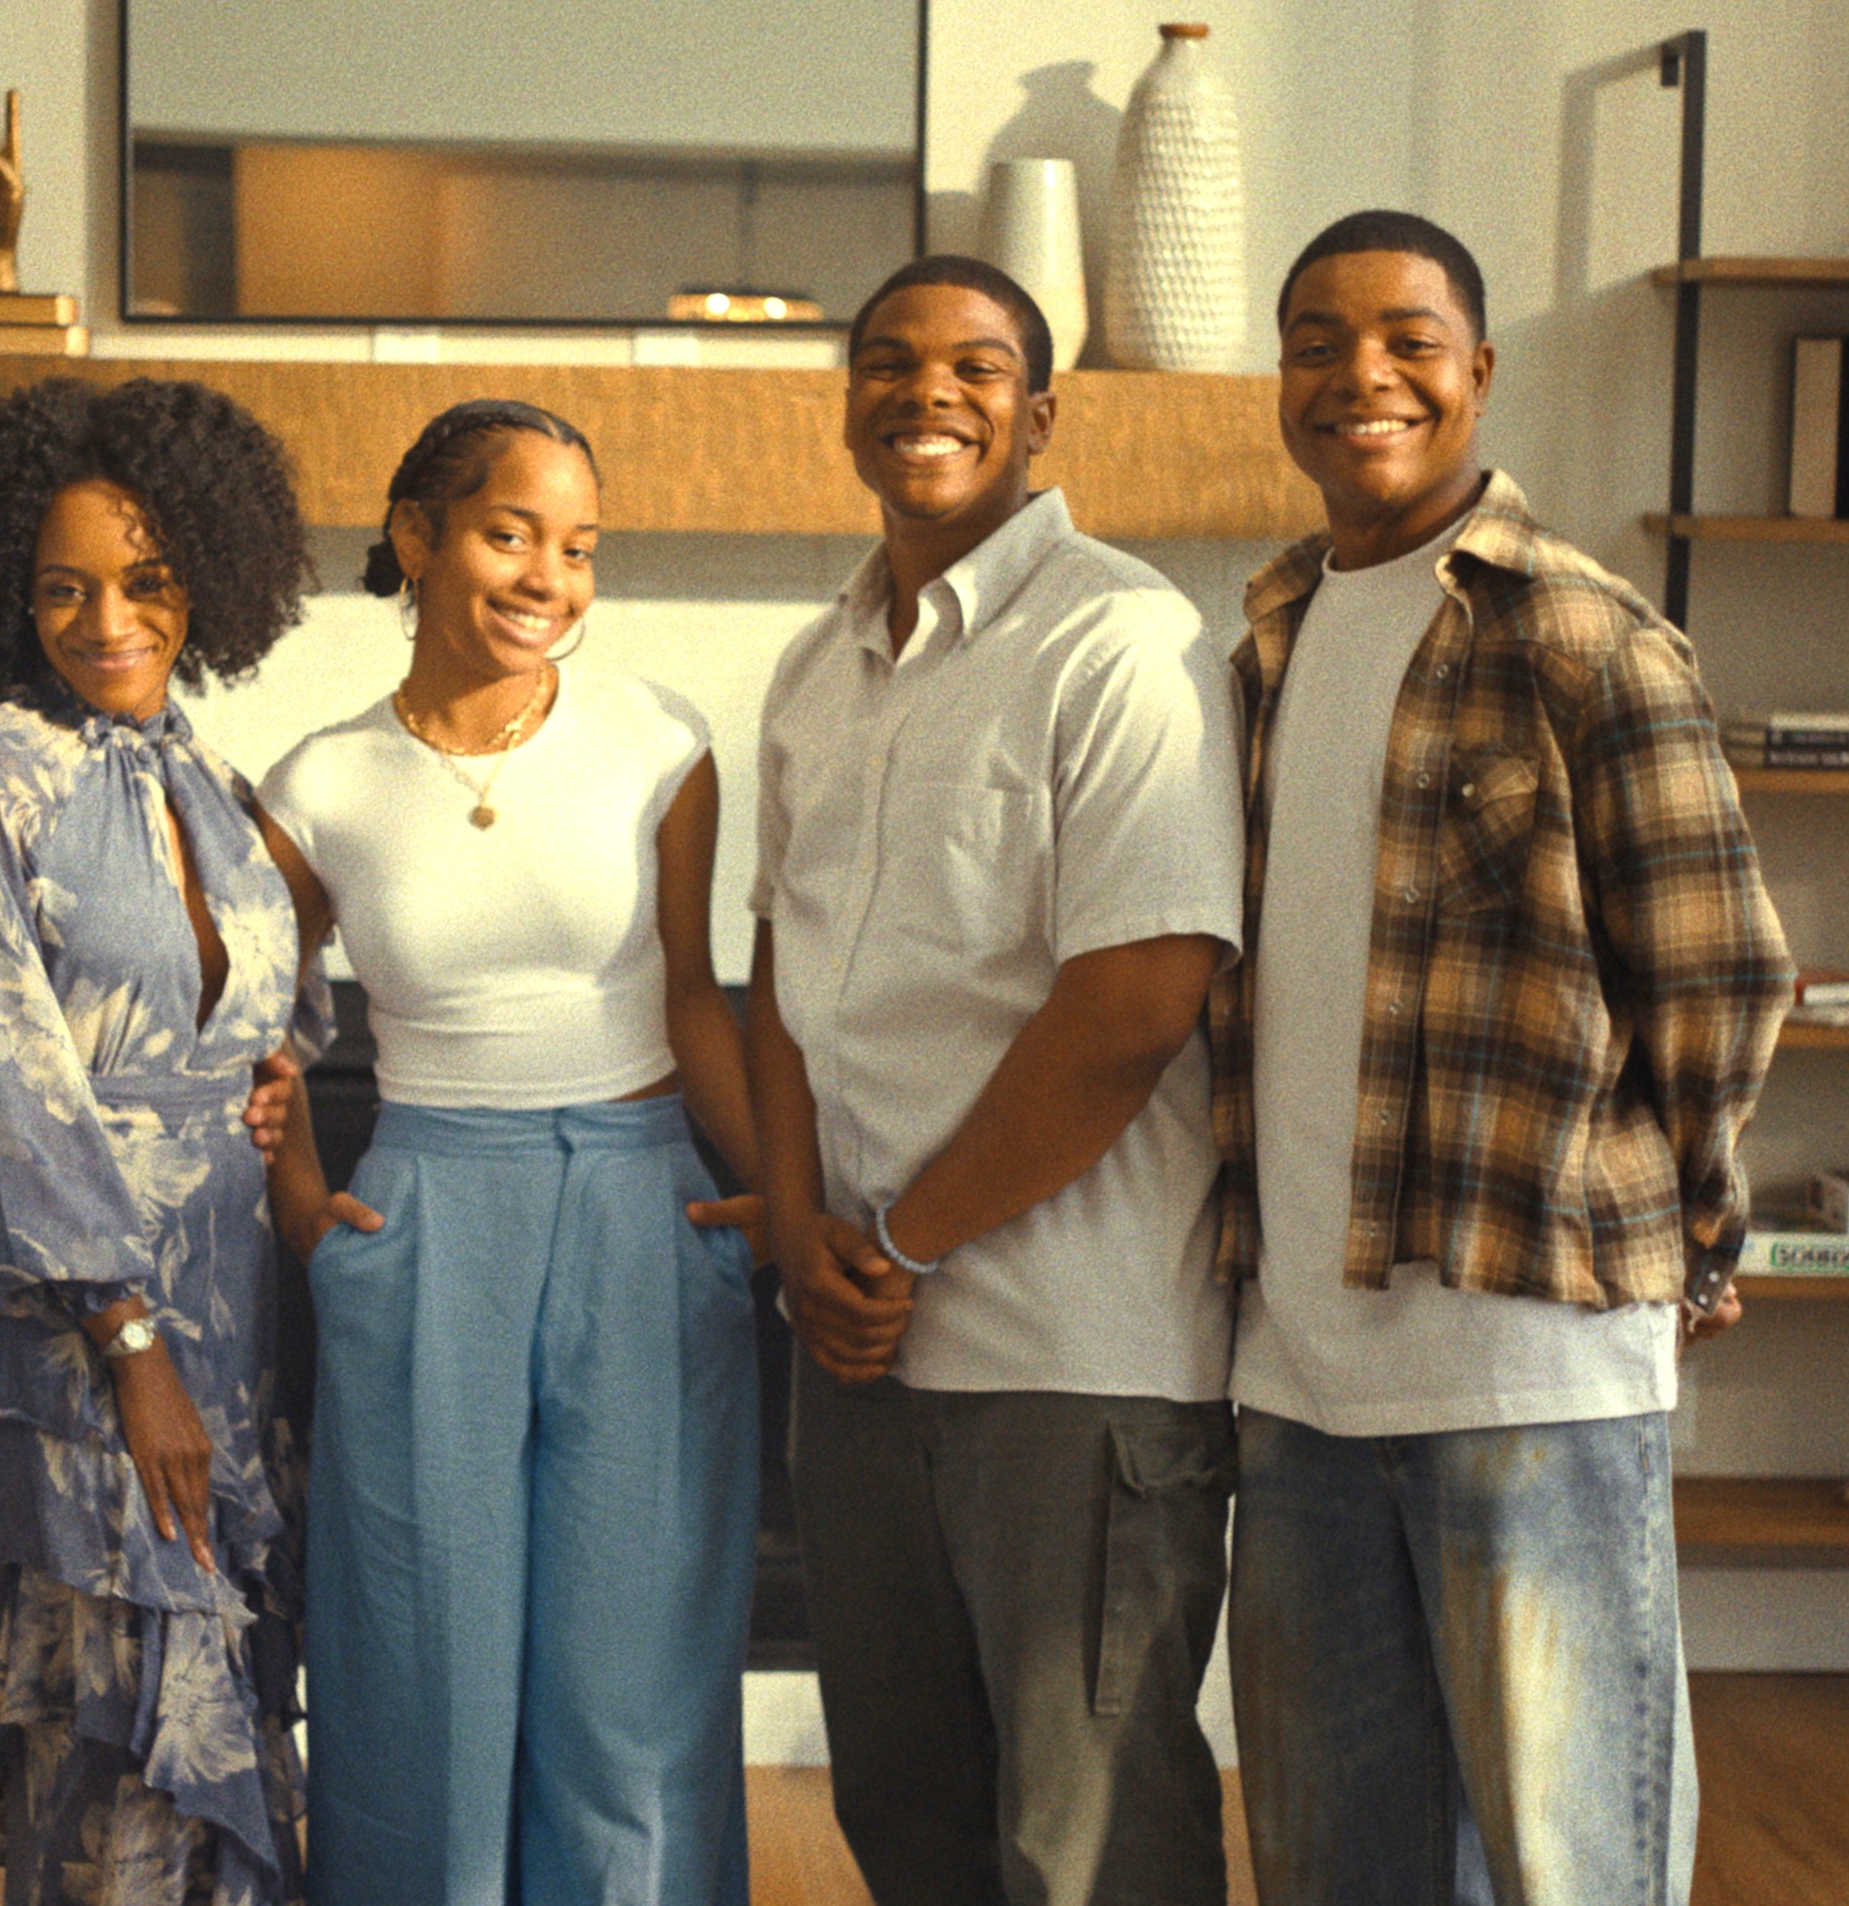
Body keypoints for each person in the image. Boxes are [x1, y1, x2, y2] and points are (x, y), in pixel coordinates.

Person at [1210, 210, 1792, 1905]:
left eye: (1403, 335)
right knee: (1337, 1867)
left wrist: (1689, 1220)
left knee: (1570, 1865)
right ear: (1280, 378)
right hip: (1298, 1371)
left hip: (1529, 1360)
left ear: (1477, 368)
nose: (1357, 373)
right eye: (1314, 338)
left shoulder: (1580, 635)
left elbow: (1716, 971)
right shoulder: (1266, 634)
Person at [745, 255, 1245, 1903]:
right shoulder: (817, 671)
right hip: (860, 1357)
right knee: (906, 1814)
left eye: (973, 365)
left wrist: (900, 1246)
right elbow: (785, 981)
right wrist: (803, 1230)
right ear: (845, 405)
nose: (925, 391)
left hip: (1066, 1353)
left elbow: (1133, 1000)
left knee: (1087, 1838)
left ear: (1039, 412)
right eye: (886, 359)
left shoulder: (1118, 634)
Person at [257, 399, 767, 1906]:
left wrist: (774, 1215)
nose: (549, 573)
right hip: (423, 1210)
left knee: (636, 1671)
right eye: (508, 532)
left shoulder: (658, 740)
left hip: (642, 1199)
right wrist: (304, 1217)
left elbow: (691, 993)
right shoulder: (317, 785)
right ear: (415, 539)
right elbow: (248, 1035)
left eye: (578, 546)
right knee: (423, 1661)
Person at [0, 376, 318, 1906]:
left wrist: (272, 1082)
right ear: (6, 588)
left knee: (219, 1698)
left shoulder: (211, 774)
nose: (103, 620)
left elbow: (273, 1010)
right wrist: (130, 1339)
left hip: (234, 1311)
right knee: (113, 1728)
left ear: (205, 573)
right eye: (60, 586)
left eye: (141, 581)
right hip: (91, 1326)